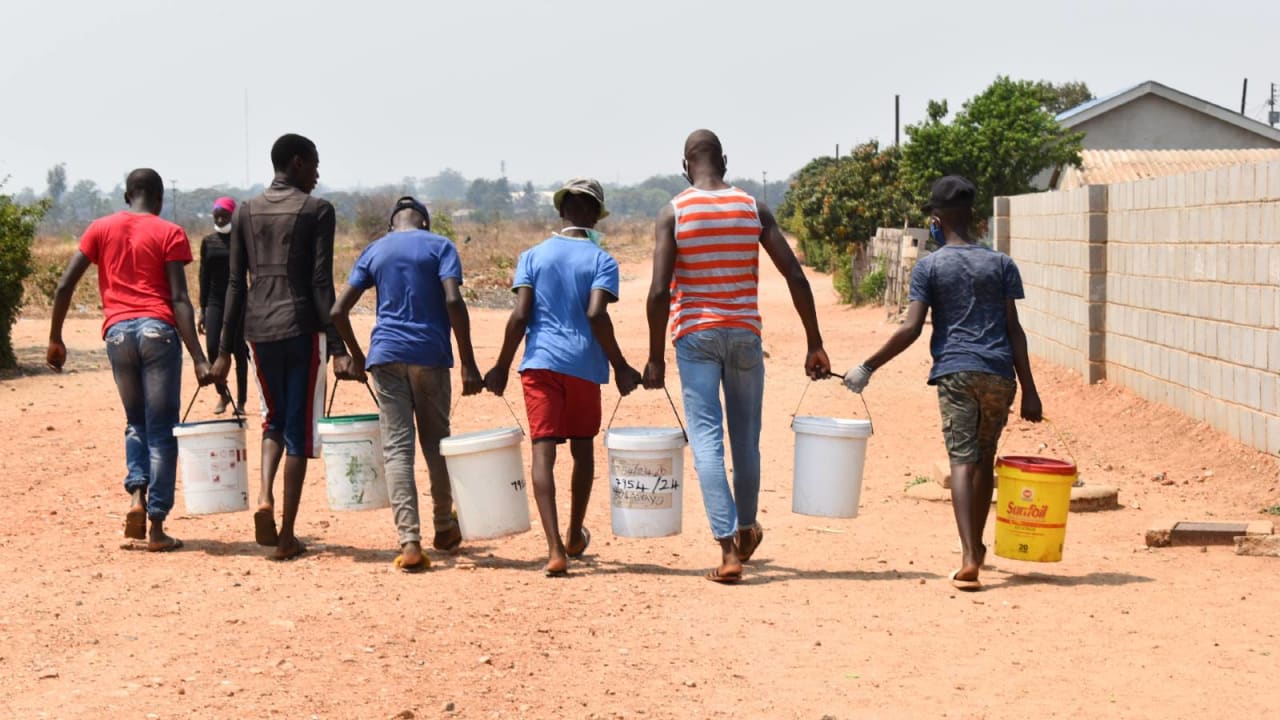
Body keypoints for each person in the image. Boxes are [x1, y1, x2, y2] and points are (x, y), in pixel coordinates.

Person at [644, 129, 831, 584]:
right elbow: (796, 276)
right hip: (745, 335)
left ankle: (728, 550)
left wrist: (655, 357)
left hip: (696, 338)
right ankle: (747, 528)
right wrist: (814, 342)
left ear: (684, 165)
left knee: (707, 441)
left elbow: (656, 293)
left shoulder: (674, 212)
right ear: (724, 161)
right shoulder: (753, 208)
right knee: (745, 440)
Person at [842, 175, 1043, 591]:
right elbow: (1014, 329)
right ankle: (978, 548)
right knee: (984, 459)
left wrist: (867, 366)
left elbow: (912, 328)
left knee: (961, 460)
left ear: (936, 218)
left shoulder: (929, 266)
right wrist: (1031, 390)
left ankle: (969, 556)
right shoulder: (1001, 263)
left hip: (955, 372)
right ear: (973, 217)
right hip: (999, 374)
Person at [46, 168, 214, 552]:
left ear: (127, 197)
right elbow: (180, 300)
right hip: (159, 333)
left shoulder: (99, 228)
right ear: (159, 198)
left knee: (135, 422)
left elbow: (63, 285)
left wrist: (56, 338)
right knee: (162, 428)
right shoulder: (169, 232)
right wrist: (200, 359)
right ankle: (156, 525)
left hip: (118, 333)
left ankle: (136, 497)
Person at [484, 178, 642, 577]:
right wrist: (620, 365)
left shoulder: (531, 256)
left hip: (539, 364)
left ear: (561, 210)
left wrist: (502, 365)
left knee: (543, 449)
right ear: (594, 215)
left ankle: (555, 549)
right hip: (584, 366)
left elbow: (520, 316)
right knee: (583, 449)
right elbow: (596, 314)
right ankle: (574, 533)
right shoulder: (601, 260)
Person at [212, 133, 357, 561]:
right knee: (299, 429)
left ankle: (263, 495)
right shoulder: (317, 210)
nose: (317, 173)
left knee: (272, 418)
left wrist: (223, 350)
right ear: (296, 163)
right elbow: (319, 282)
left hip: (256, 330)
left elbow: (236, 283)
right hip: (301, 328)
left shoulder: (244, 212)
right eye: (313, 164)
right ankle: (288, 535)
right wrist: (337, 346)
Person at [331, 196, 484, 573]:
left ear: (391, 225)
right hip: (431, 355)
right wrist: (468, 362)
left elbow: (337, 311)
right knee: (436, 444)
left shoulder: (374, 251)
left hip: (385, 356)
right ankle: (445, 528)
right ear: (425, 223)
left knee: (398, 450)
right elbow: (453, 300)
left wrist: (357, 354)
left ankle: (410, 541)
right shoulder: (440, 247)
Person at [198, 196, 249, 414]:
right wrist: (202, 309)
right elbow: (203, 277)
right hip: (215, 301)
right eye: (216, 216)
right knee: (212, 348)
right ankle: (223, 394)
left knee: (238, 350)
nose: (220, 219)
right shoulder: (208, 242)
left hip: (239, 300)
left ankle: (241, 402)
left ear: (233, 216)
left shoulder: (243, 240)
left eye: (224, 216)